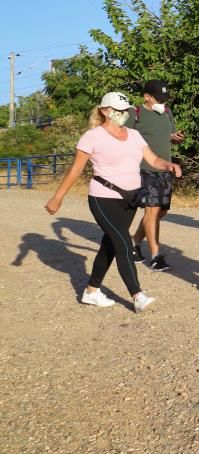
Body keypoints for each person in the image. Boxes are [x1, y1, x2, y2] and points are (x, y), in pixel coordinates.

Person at [44, 91, 182, 312]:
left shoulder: (134, 135)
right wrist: (57, 197)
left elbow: (153, 159)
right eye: (118, 111)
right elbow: (76, 169)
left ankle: (91, 291)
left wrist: (168, 165)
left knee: (110, 245)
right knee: (124, 243)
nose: (123, 115)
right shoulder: (92, 136)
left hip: (130, 199)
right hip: (103, 197)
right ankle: (137, 295)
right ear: (104, 111)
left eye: (125, 111)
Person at [128, 79, 184, 271]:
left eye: (165, 99)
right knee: (151, 211)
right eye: (159, 99)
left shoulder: (167, 113)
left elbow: (170, 136)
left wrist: (175, 139)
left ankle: (134, 243)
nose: (163, 102)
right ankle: (155, 256)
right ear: (147, 97)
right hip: (145, 168)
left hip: (165, 168)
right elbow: (123, 138)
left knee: (161, 211)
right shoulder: (134, 114)